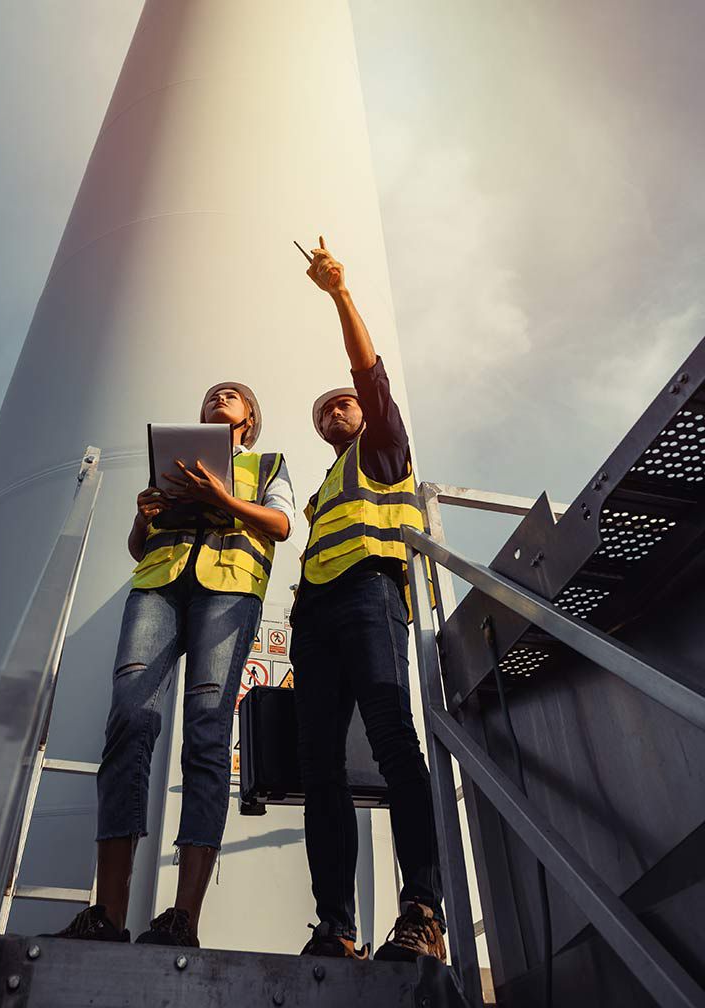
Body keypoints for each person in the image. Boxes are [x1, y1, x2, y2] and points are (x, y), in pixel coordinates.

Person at [49, 382, 294, 947]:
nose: (220, 397)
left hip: (228, 591)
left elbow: (280, 525)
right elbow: (141, 547)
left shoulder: (269, 463)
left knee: (207, 735)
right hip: (158, 586)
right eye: (212, 394)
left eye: (232, 395)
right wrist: (143, 517)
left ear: (249, 417)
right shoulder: (174, 464)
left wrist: (224, 498)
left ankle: (183, 918)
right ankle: (107, 914)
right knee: (129, 722)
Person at [292, 238, 446, 963]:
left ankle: (422, 908)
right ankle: (337, 927)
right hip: (316, 616)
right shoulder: (326, 486)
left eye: (341, 405)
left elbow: (369, 373)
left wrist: (339, 294)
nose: (333, 413)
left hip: (371, 596)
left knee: (392, 741)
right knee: (318, 763)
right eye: (323, 413)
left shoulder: (384, 448)